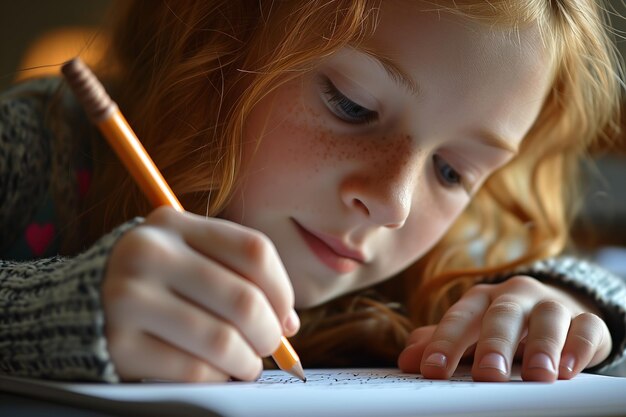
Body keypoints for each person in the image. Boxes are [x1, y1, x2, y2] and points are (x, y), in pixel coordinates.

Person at [1, 0, 625, 384]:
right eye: (350, 105)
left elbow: (592, 285)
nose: (393, 202)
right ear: (217, 39)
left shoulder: (438, 260)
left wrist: (561, 304)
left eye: (453, 172)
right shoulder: (37, 148)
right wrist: (53, 315)